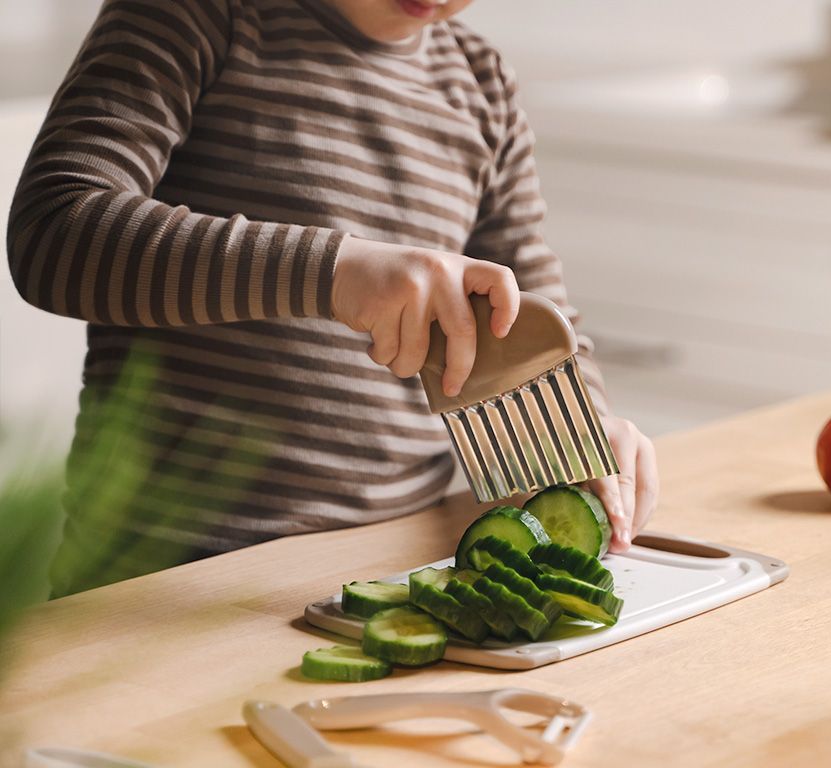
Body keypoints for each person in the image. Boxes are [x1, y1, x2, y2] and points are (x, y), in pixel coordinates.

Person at [7, 0, 659, 594]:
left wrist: (580, 434)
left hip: (393, 572)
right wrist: (332, 271)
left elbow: (533, 310)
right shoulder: (198, 15)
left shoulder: (481, 84)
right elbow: (54, 231)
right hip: (162, 580)